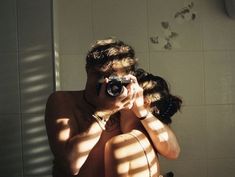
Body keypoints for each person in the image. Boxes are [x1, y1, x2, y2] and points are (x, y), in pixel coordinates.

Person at [45, 38, 140, 177]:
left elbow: (171, 151)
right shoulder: (63, 101)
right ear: (87, 71)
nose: (104, 83)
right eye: (99, 75)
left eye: (112, 78)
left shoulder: (127, 105)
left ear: (126, 79)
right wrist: (104, 113)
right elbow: (71, 167)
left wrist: (141, 110)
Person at [104, 69, 182, 177]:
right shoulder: (151, 140)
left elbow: (174, 152)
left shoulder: (120, 144)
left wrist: (140, 110)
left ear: (145, 101)